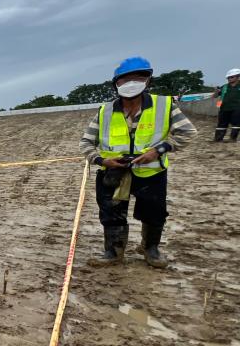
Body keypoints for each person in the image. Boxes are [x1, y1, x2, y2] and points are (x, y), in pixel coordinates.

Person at [79, 56, 197, 268]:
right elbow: (86, 142)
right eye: (125, 79)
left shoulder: (165, 105)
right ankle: (113, 252)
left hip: (151, 172)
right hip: (114, 172)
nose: (131, 82)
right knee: (111, 212)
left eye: (138, 77)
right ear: (116, 83)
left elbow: (187, 132)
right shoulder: (105, 111)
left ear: (148, 80)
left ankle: (150, 248)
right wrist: (102, 160)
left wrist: (159, 150)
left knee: (154, 213)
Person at [214, 68, 240, 141]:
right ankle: (218, 139)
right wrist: (216, 91)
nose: (229, 78)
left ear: (238, 77)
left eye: (231, 77)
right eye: (228, 77)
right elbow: (216, 96)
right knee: (221, 124)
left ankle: (232, 139)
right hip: (224, 108)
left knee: (236, 124)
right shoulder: (224, 87)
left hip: (237, 109)